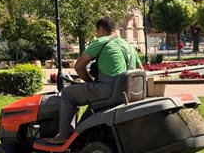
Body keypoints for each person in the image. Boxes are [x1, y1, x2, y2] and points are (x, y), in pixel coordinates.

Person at [46, 16, 143, 144]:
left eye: (97, 33)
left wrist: (89, 81)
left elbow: (79, 66)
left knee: (68, 93)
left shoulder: (102, 41)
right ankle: (80, 133)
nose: (97, 36)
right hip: (128, 93)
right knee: (89, 105)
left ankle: (64, 135)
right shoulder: (128, 45)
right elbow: (141, 70)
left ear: (101, 29)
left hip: (108, 90)